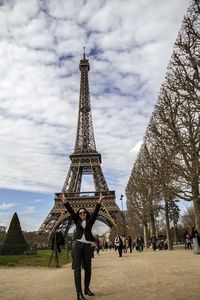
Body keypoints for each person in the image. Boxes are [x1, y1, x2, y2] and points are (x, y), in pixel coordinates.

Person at [60, 192, 104, 300]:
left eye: (84, 212)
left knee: (88, 269)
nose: (82, 214)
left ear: (86, 213)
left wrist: (99, 202)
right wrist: (65, 202)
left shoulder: (90, 221)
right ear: (78, 215)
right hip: (77, 246)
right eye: (80, 213)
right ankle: (79, 293)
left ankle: (86, 289)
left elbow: (96, 212)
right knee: (77, 270)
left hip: (87, 246)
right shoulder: (76, 220)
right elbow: (70, 211)